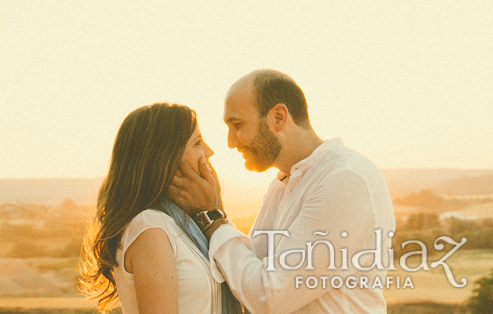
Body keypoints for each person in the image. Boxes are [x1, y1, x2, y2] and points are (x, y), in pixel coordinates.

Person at [169, 69, 396, 314]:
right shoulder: (281, 187)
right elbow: (248, 274)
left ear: (278, 117)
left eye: (237, 125)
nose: (230, 141)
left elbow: (269, 297)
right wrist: (215, 213)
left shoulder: (346, 179)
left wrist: (212, 217)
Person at [79, 102, 241, 314]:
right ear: (166, 157)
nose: (209, 151)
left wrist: (215, 210)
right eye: (197, 143)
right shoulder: (150, 228)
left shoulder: (196, 222)